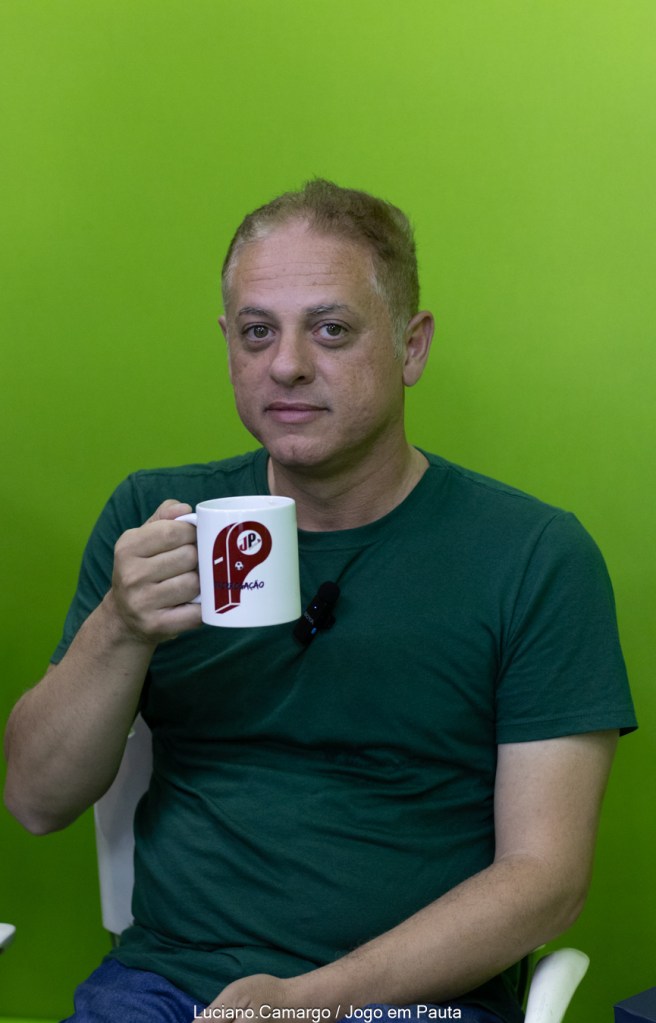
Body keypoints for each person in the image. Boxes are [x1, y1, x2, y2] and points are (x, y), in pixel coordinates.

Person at [4, 180, 636, 1023]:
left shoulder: (533, 556)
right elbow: (35, 799)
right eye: (257, 332)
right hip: (162, 985)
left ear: (411, 346)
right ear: (228, 345)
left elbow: (546, 880)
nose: (287, 364)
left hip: (406, 1000)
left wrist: (306, 1002)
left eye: (331, 329)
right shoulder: (156, 521)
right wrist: (120, 626)